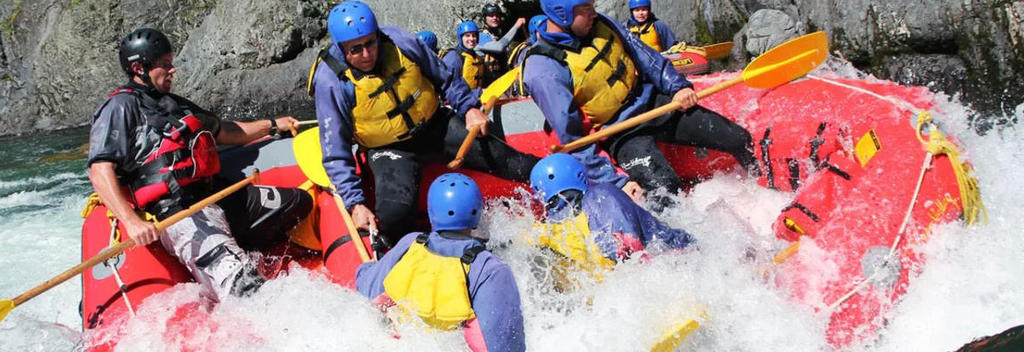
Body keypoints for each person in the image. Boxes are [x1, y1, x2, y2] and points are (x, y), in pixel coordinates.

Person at [87, 28, 313, 301]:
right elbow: (100, 171)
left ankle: (234, 252)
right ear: (139, 68)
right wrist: (131, 222)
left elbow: (227, 132)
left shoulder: (175, 105)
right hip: (179, 212)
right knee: (244, 289)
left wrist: (273, 125)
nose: (172, 70)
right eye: (165, 64)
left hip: (215, 194)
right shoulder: (120, 107)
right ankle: (227, 270)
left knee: (298, 202)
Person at [310, 1, 539, 247]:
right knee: (395, 215)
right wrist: (355, 203)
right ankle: (413, 257)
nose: (366, 55)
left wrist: (469, 108)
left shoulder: (399, 42)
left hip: (436, 125)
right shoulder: (330, 81)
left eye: (370, 43)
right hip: (389, 149)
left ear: (377, 36)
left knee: (507, 159)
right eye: (355, 49)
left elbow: (445, 77)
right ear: (341, 48)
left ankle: (560, 193)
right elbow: (335, 151)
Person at [522, 0, 758, 210]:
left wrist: (678, 87)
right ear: (562, 13)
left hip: (655, 105)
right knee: (667, 191)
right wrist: (616, 181)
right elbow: (574, 141)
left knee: (738, 138)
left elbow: (647, 58)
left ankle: (766, 192)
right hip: (620, 133)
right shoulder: (543, 70)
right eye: (586, 9)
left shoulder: (601, 23)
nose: (594, 13)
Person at [355, 173, 525, 352]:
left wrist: (366, 268)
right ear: (477, 213)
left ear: (431, 212)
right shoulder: (490, 269)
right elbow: (506, 344)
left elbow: (366, 287)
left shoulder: (411, 243)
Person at [529, 154, 693, 273]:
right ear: (581, 177)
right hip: (662, 261)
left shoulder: (541, 231)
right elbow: (626, 245)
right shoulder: (602, 194)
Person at [442, 21, 487, 91]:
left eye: (474, 35)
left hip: (476, 98)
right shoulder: (453, 57)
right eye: (467, 36)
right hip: (459, 100)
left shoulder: (478, 57)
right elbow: (449, 87)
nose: (471, 39)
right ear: (461, 38)